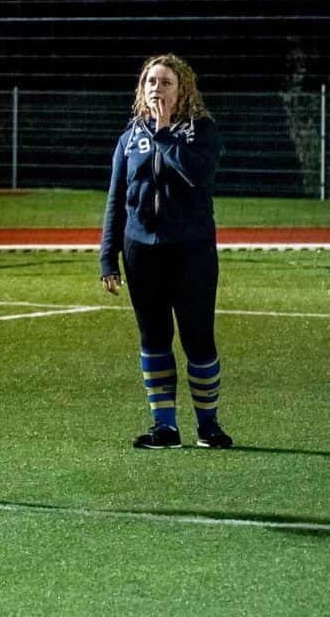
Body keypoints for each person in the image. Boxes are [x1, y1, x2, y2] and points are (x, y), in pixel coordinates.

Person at [100, 53, 232, 450]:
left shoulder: (203, 131)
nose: (156, 89)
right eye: (150, 82)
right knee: (154, 338)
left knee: (198, 339)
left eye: (165, 82)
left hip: (192, 252)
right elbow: (116, 198)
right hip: (141, 253)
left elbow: (196, 175)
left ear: (183, 89)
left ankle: (208, 426)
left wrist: (163, 131)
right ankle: (165, 427)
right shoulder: (128, 138)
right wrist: (108, 256)